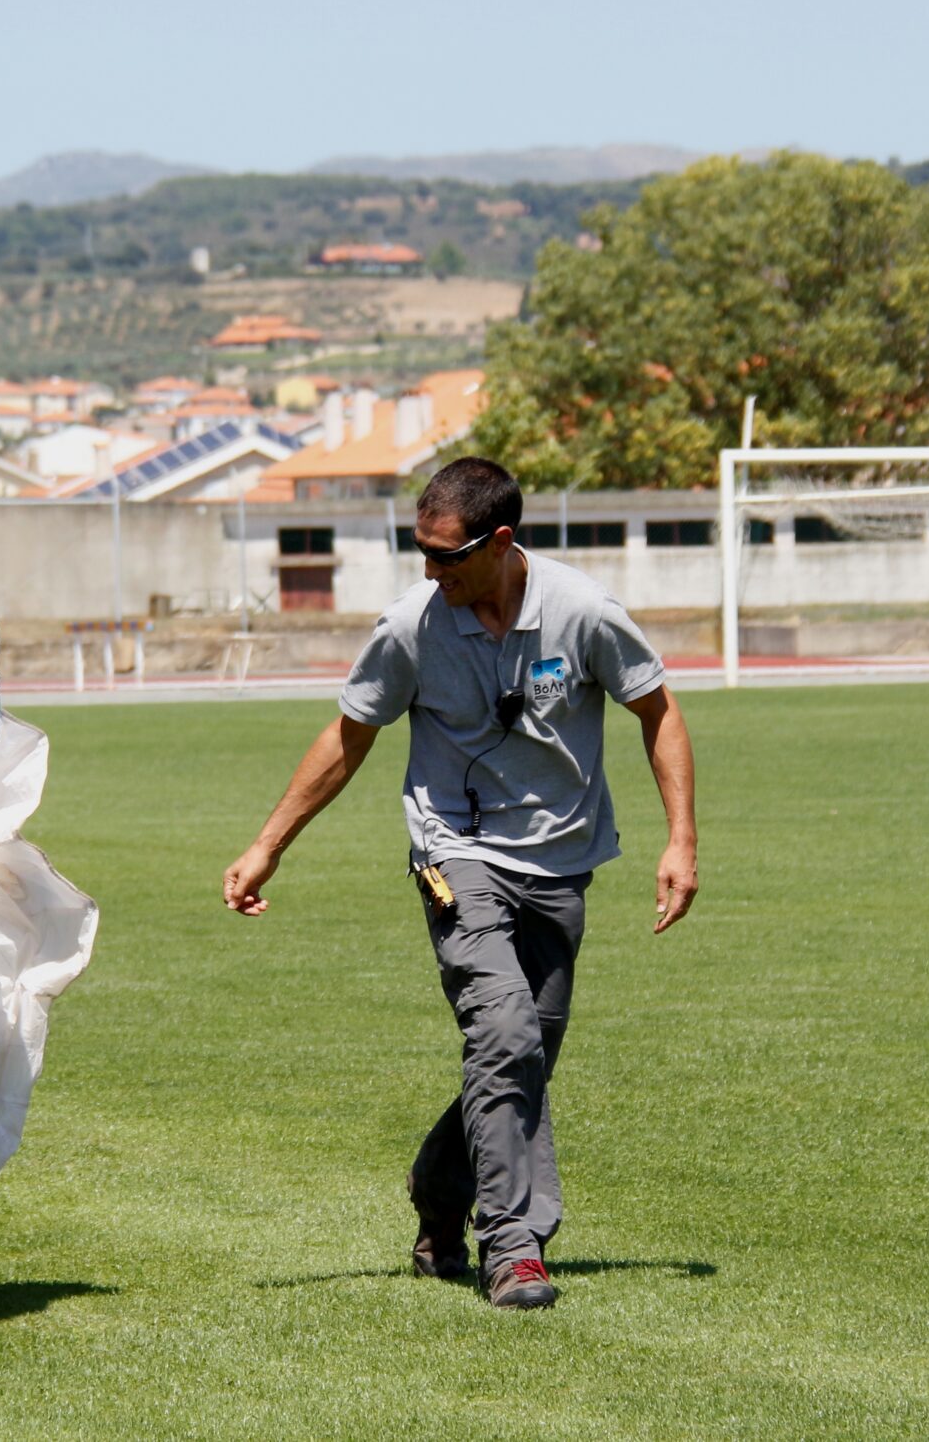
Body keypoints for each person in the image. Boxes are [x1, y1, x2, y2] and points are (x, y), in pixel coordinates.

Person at [220, 455, 698, 1310]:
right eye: (421, 553)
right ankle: (514, 1249)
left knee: (520, 1056)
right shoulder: (410, 626)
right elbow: (348, 736)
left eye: (447, 556)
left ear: (501, 540)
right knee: (506, 1032)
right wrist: (269, 844)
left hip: (562, 860)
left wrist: (681, 842)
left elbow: (657, 711)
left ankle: (440, 1187)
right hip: (454, 853)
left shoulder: (583, 612)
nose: (431, 572)